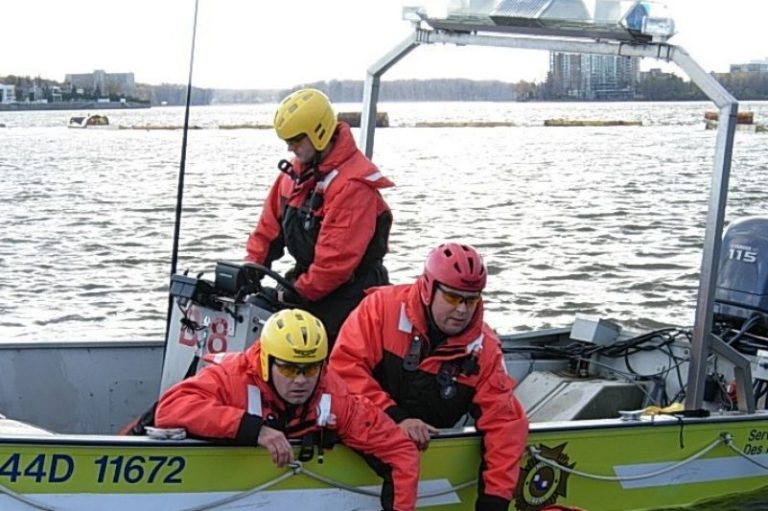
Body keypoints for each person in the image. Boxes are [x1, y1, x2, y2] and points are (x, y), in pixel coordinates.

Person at [329, 242, 529, 511]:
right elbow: (343, 370)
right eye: (452, 298)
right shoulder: (380, 309)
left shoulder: (485, 349)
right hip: (361, 428)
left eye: (471, 300)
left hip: (427, 442)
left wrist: (494, 501)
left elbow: (505, 425)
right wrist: (396, 417)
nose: (461, 310)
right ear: (428, 289)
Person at [155, 308, 419, 511]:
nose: (301, 380)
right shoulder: (231, 379)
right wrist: (254, 429)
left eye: (311, 369)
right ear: (265, 361)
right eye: (289, 369)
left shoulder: (336, 396)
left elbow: (400, 452)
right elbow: (169, 408)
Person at [245, 88, 393, 346]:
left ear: (319, 133)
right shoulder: (292, 177)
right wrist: (249, 270)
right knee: (254, 311)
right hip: (309, 285)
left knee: (321, 355)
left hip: (350, 295)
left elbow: (334, 265)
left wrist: (294, 293)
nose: (290, 147)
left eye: (295, 139)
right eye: (287, 141)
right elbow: (267, 232)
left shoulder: (353, 186)